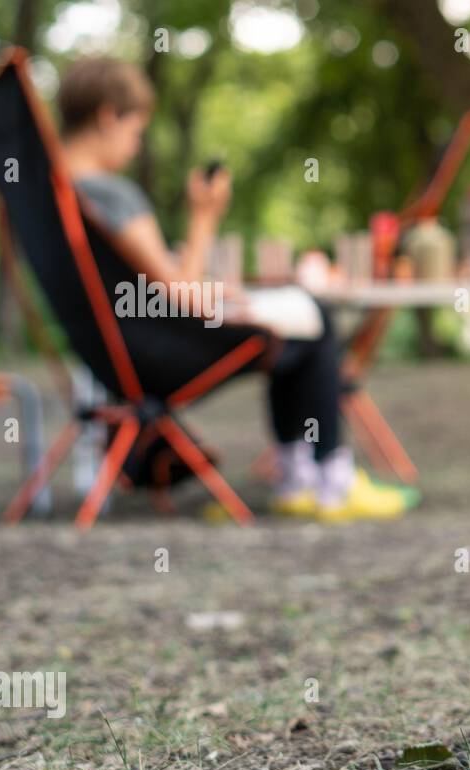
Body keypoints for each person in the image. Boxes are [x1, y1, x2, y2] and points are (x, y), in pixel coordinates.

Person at [56, 56, 415, 521]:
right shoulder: (108, 194)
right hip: (160, 356)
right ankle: (329, 478)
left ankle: (299, 474)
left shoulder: (53, 195)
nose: (134, 145)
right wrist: (205, 218)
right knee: (313, 316)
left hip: (112, 356)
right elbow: (179, 294)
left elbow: (153, 288)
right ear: (108, 116)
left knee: (293, 326)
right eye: (136, 131)